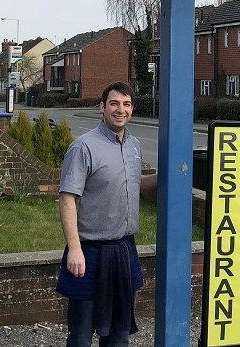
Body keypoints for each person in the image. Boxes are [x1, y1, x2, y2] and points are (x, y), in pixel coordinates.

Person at [57, 81, 156, 347]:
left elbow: (134, 186)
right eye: (114, 103)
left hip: (124, 250)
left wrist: (166, 176)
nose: (120, 109)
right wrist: (74, 249)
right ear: (102, 107)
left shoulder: (134, 145)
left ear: (132, 109)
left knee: (119, 333)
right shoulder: (83, 147)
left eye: (126, 104)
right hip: (90, 252)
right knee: (81, 334)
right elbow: (67, 199)